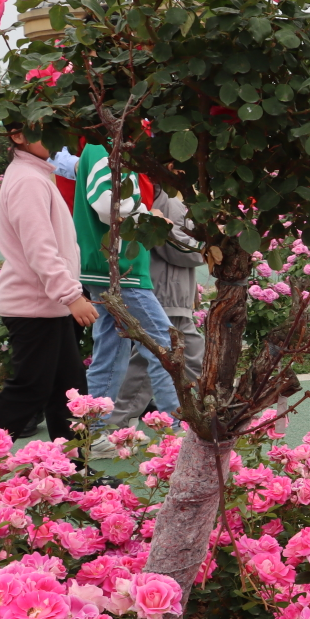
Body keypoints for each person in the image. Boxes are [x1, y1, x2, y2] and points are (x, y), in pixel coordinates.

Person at [0, 126, 99, 440]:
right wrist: (71, 295)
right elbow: (40, 250)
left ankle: (75, 476)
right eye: (46, 132)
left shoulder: (36, 174)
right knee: (29, 391)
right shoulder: (28, 181)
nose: (58, 139)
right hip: (33, 308)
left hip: (47, 306)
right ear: (18, 136)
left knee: (69, 393)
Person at [73, 142, 182, 422]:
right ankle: (179, 430)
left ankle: (94, 434)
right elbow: (107, 204)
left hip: (108, 269)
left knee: (110, 355)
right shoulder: (102, 148)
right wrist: (148, 216)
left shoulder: (105, 148)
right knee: (164, 348)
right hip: (120, 270)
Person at [102, 189, 206, 430]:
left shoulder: (149, 200)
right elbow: (179, 250)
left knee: (176, 354)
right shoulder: (164, 204)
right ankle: (116, 421)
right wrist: (207, 247)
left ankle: (202, 410)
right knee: (158, 358)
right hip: (166, 291)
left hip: (167, 290)